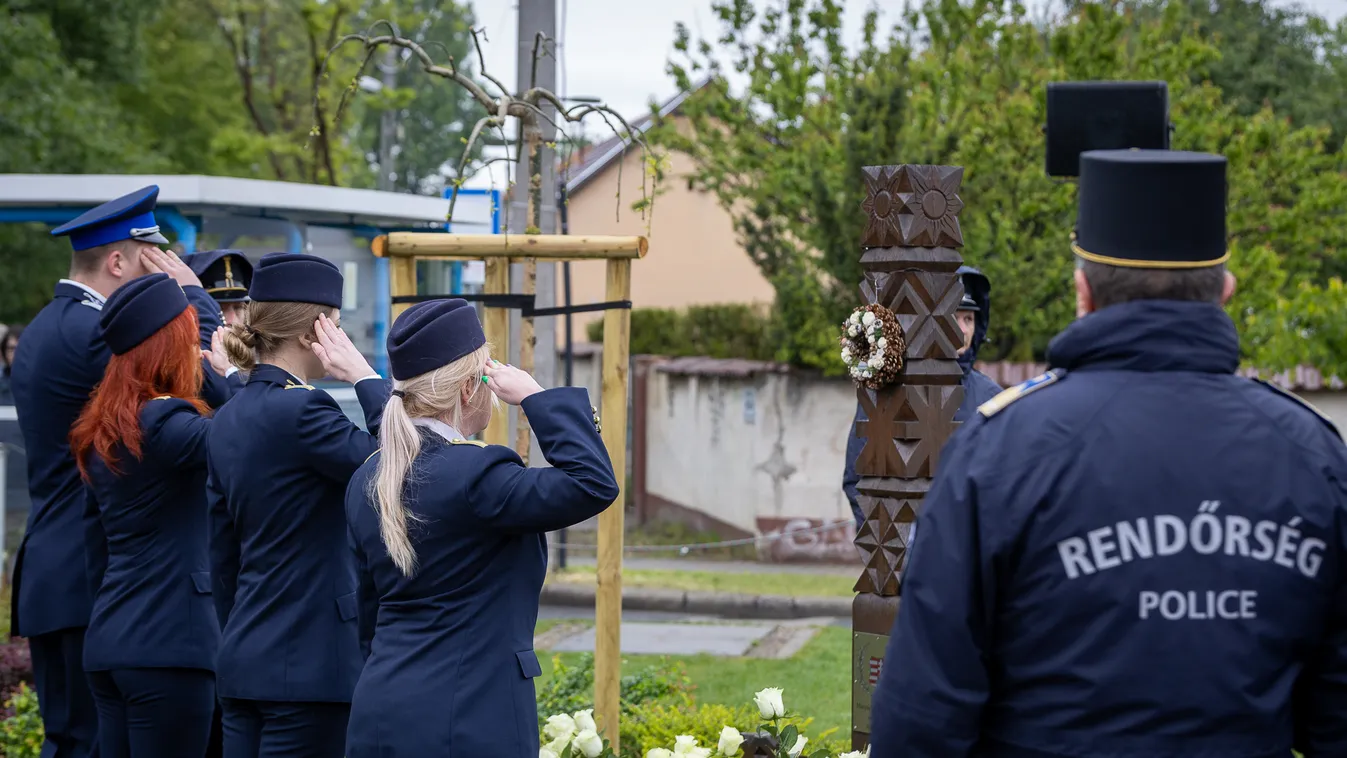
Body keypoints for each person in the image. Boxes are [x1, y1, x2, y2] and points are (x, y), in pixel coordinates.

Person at [868, 150, 1347, 757]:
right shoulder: (1313, 456)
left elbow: (921, 723)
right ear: (1224, 291)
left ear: (1082, 291)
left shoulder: (999, 453)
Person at [10, 186, 233, 758]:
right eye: (150, 261)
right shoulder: (97, 334)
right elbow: (189, 370)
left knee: (72, 742)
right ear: (118, 261)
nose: (161, 277)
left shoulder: (42, 326)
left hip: (58, 571)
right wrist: (195, 300)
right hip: (103, 577)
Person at [343, 299, 619, 758]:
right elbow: (593, 484)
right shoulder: (476, 474)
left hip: (380, 708)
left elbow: (368, 613)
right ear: (471, 387)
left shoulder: (367, 477)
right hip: (470, 716)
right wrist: (535, 398)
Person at [207, 252, 391, 758]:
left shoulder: (229, 414)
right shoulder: (303, 408)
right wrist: (365, 377)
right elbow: (395, 463)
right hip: (310, 668)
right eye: (336, 322)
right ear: (318, 327)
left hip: (244, 659)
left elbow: (221, 556)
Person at [71, 274, 220, 757]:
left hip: (111, 641)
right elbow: (253, 435)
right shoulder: (167, 422)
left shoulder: (109, 427)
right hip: (170, 645)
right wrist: (230, 377)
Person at [842, 265, 1001, 530]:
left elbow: (1003, 481)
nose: (962, 330)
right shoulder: (887, 393)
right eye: (953, 318)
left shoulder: (992, 399)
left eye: (968, 319)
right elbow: (858, 478)